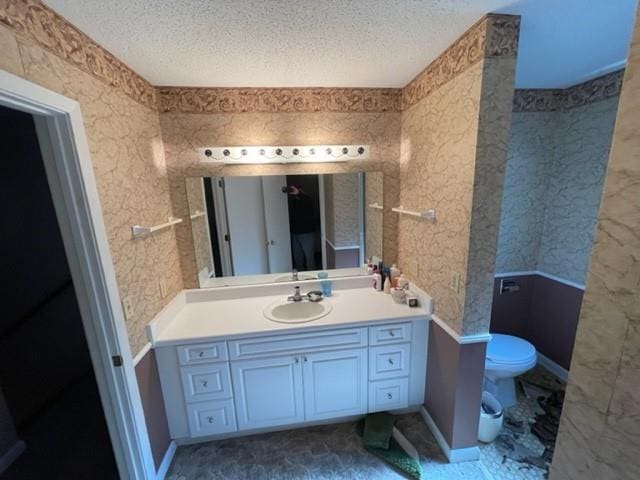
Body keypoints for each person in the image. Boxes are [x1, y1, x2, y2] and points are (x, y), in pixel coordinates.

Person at [287, 185, 316, 271]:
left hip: (307, 233)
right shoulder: (293, 201)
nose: (292, 191)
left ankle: (311, 278)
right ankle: (300, 279)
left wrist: (299, 193)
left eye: (294, 189)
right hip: (295, 233)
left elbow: (306, 202)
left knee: (309, 257)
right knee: (297, 257)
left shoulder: (307, 199)